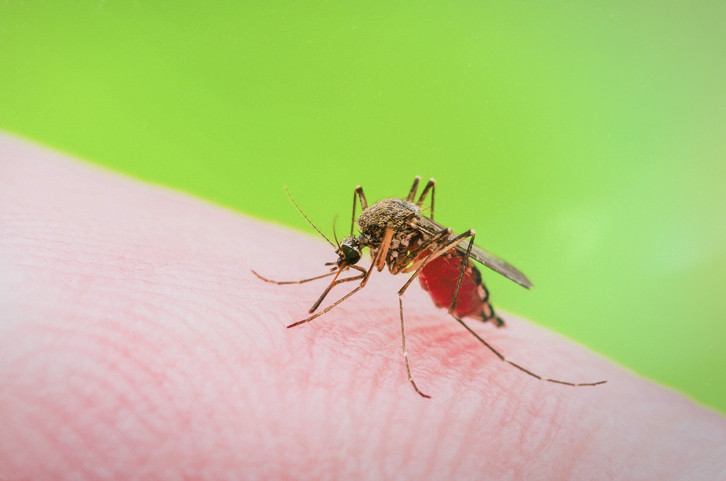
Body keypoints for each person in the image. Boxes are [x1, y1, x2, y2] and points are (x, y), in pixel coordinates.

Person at [2, 133, 725, 480]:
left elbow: (401, 250)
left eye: (355, 253)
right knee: (388, 258)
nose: (351, 260)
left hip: (442, 263)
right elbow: (357, 258)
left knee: (422, 268)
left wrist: (425, 270)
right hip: (407, 243)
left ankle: (489, 335)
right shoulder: (363, 235)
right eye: (355, 252)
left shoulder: (394, 240)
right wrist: (326, 286)